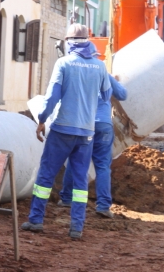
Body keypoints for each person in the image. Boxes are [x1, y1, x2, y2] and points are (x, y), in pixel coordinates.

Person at [21, 24, 110, 240]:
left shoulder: (64, 63)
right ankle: (76, 227)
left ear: (68, 42)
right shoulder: (100, 67)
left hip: (62, 130)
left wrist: (41, 120)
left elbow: (52, 97)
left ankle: (36, 220)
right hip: (86, 133)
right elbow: (106, 96)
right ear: (88, 41)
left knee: (46, 175)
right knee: (80, 181)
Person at [58, 73, 127, 219]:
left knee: (75, 160)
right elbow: (122, 94)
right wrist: (115, 81)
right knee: (102, 165)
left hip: (82, 124)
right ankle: (102, 206)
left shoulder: (76, 73)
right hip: (103, 125)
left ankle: (67, 198)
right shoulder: (103, 74)